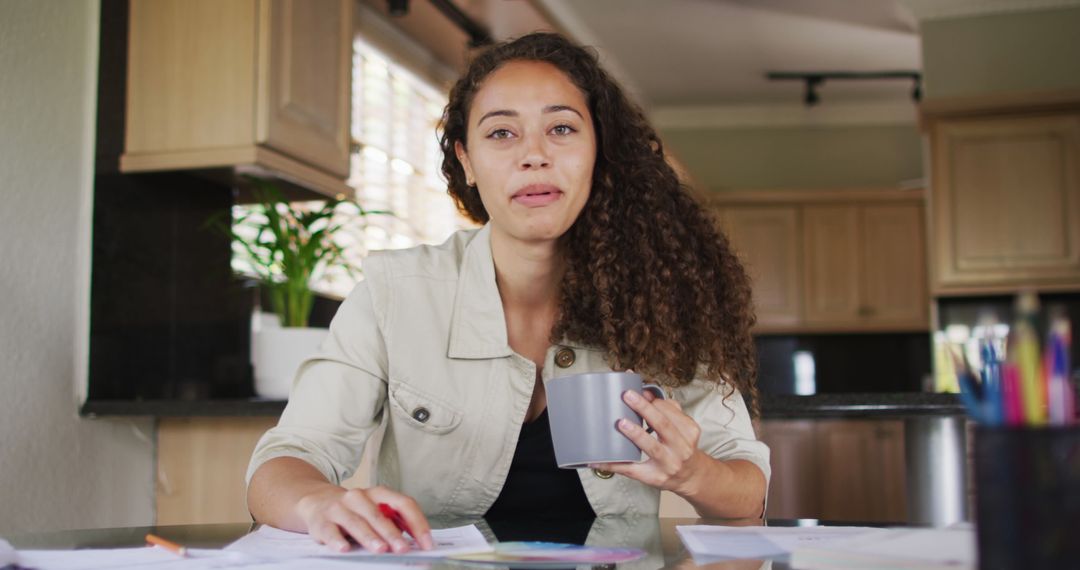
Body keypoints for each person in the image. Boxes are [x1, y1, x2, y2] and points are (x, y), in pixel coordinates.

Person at [245, 32, 769, 555]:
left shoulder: (660, 298)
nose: (534, 156)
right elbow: (288, 459)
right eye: (501, 134)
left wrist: (693, 472)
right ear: (466, 160)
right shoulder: (392, 295)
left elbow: (748, 494)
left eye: (561, 128)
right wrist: (318, 502)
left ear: (599, 153)